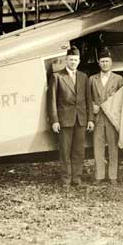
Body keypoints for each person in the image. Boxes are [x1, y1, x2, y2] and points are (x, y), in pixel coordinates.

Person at [48, 45, 94, 186]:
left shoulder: (83, 77)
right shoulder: (57, 76)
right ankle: (66, 179)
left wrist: (90, 119)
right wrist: (54, 120)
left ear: (79, 61)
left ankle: (76, 178)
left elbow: (88, 99)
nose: (73, 62)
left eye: (75, 60)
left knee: (79, 151)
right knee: (65, 151)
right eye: (70, 59)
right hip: (64, 121)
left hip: (81, 120)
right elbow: (52, 101)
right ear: (66, 60)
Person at [88, 48, 123, 184]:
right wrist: (92, 107)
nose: (104, 64)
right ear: (98, 63)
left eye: (107, 61)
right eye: (102, 61)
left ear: (111, 62)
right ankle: (99, 176)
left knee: (113, 147)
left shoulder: (118, 79)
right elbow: (87, 98)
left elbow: (122, 99)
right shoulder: (92, 79)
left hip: (111, 118)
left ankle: (113, 176)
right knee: (98, 147)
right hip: (98, 118)